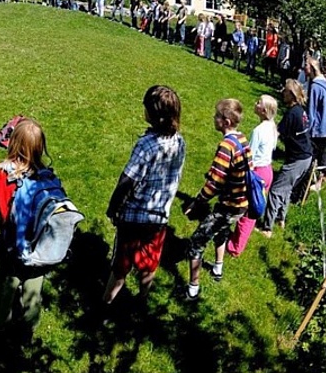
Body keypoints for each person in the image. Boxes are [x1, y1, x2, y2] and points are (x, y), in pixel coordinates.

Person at [0, 118, 65, 336]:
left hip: (9, 248)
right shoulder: (47, 177)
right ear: (40, 147)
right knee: (33, 292)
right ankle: (27, 333)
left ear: (11, 143)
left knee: (4, 293)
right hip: (40, 249)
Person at [100, 86, 186, 311]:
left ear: (153, 114)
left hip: (133, 217)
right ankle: (142, 301)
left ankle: (105, 304)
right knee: (149, 261)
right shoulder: (179, 142)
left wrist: (113, 208)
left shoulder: (146, 145)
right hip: (159, 217)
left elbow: (127, 180)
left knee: (121, 264)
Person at [182, 99, 250, 300]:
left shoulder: (226, 146)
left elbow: (214, 183)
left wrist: (197, 202)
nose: (214, 118)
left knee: (196, 242)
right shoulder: (242, 139)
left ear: (226, 121)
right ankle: (217, 269)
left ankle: (192, 289)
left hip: (229, 206)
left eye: (217, 116)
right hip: (241, 204)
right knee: (221, 232)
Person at [260, 80, 313, 237]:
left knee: (276, 190)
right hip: (305, 157)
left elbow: (277, 133)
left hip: (298, 158)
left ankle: (267, 228)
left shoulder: (292, 113)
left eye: (285, 90)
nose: (282, 91)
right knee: (287, 188)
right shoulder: (300, 110)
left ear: (292, 95)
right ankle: (280, 219)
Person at [227, 95, 278, 256]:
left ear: (264, 110)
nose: (255, 104)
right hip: (268, 170)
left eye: (258, 102)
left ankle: (235, 247)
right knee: (254, 209)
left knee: (247, 211)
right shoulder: (272, 126)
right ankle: (238, 240)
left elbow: (251, 155)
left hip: (257, 172)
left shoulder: (258, 130)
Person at [306, 57, 326, 190]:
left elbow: (312, 111)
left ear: (311, 68)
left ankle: (307, 182)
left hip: (318, 129)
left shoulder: (316, 87)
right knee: (322, 157)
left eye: (306, 65)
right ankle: (317, 181)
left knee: (312, 157)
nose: (304, 68)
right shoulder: (325, 83)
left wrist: (308, 131)